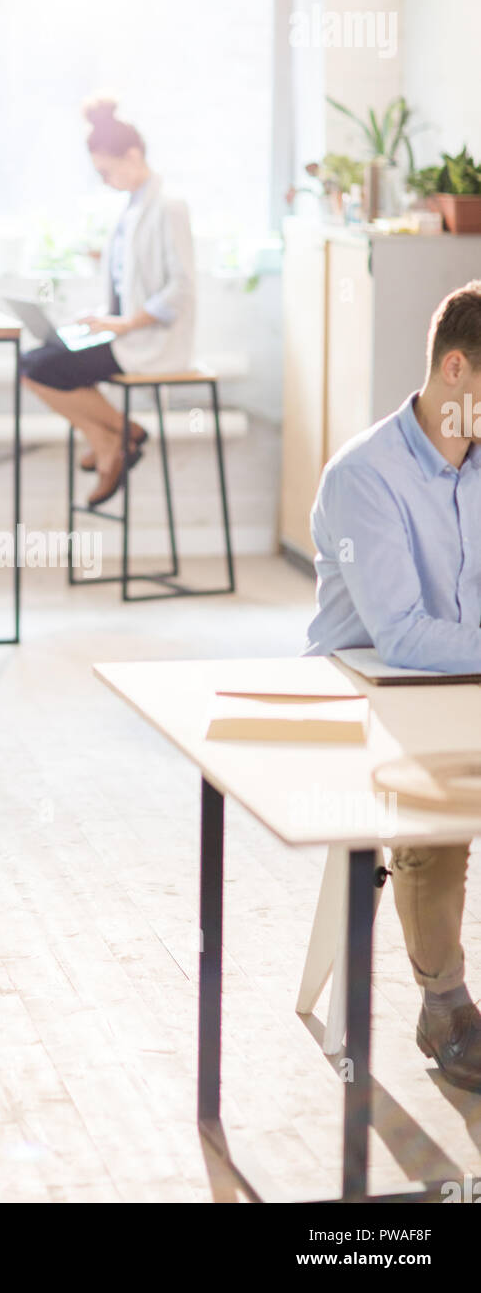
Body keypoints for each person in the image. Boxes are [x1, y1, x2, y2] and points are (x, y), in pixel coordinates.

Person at [305, 280, 481, 1089]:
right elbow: (403, 636)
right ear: (456, 371)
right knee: (436, 803)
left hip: (461, 679)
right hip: (364, 697)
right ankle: (445, 1004)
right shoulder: (363, 478)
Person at [20, 97, 195, 507]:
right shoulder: (131, 210)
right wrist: (104, 317)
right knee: (36, 360)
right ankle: (112, 437)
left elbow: (181, 289)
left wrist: (124, 325)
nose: (105, 180)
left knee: (41, 368)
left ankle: (114, 438)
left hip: (152, 342)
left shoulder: (170, 206)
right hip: (127, 331)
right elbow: (129, 288)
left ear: (132, 154)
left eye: (106, 170)